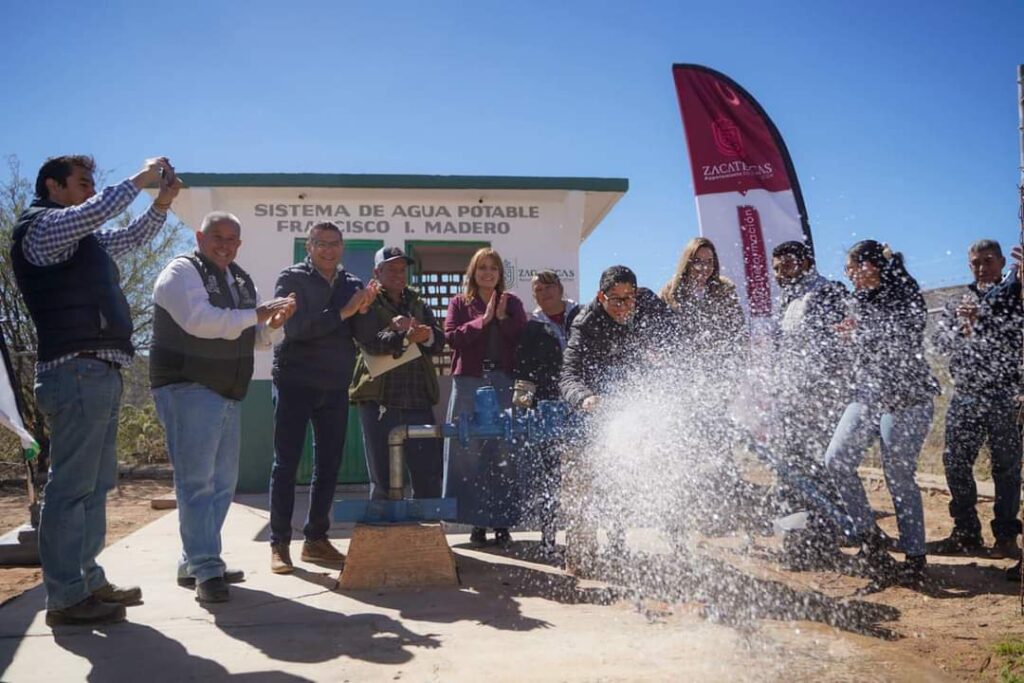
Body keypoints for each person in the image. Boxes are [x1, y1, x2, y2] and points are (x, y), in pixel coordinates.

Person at [12, 154, 179, 627]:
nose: (90, 190)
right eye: (82, 182)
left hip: (98, 373)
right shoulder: (41, 230)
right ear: (53, 186)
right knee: (70, 488)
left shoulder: (81, 243)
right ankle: (65, 597)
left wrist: (161, 204)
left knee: (95, 485)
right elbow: (96, 212)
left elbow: (127, 237)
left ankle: (85, 581)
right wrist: (140, 179)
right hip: (75, 373)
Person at [151, 211, 296, 602]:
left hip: (227, 390)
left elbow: (254, 338)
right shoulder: (181, 272)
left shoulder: (239, 279)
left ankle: (197, 560)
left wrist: (274, 323)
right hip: (188, 386)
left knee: (221, 484)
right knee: (197, 483)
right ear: (200, 237)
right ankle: (206, 567)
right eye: (218, 236)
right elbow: (201, 321)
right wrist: (258, 314)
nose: (225, 244)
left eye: (233, 238)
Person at [824, 240, 939, 583]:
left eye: (851, 267)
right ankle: (870, 539)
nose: (847, 274)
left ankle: (915, 556)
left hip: (906, 396)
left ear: (870, 266)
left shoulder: (903, 292)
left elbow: (908, 330)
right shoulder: (857, 300)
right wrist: (849, 338)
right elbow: (864, 345)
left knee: (898, 474)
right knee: (837, 459)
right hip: (868, 394)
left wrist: (861, 334)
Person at [268, 222, 376, 574]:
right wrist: (344, 312)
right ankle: (279, 544)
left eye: (335, 244)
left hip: (335, 384)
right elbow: (297, 329)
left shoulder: (352, 284)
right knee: (286, 464)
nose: (329, 250)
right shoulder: (292, 279)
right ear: (309, 247)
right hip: (295, 381)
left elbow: (361, 335)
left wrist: (365, 310)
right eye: (321, 244)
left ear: (342, 247)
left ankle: (315, 540)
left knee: (328, 466)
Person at [931, 239, 1022, 559]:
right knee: (955, 463)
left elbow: (1014, 339)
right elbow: (940, 344)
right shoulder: (958, 300)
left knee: (1006, 469)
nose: (982, 268)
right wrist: (964, 327)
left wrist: (982, 323)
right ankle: (967, 531)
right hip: (966, 394)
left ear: (1000, 262)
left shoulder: (1016, 295)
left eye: (988, 261)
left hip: (1005, 395)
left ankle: (1006, 537)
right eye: (976, 263)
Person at [767, 241, 852, 566]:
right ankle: (797, 544)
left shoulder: (827, 293)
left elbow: (833, 350)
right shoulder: (787, 300)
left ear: (804, 263)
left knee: (817, 475)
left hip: (817, 403)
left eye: (785, 267)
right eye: (775, 269)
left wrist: (820, 396)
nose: (779, 274)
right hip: (788, 402)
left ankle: (820, 545)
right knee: (791, 475)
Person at [443, 248, 527, 546]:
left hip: (503, 382)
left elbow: (521, 339)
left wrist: (502, 319)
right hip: (469, 382)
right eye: (482, 268)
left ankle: (502, 523)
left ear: (500, 273)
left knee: (503, 453)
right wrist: (483, 320)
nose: (488, 273)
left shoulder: (512, 302)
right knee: (469, 453)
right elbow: (451, 337)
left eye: (493, 268)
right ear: (473, 273)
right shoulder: (459, 302)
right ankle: (476, 522)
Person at [351, 246, 445, 501]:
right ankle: (386, 535)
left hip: (418, 400)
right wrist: (404, 337)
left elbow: (438, 342)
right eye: (391, 268)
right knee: (382, 481)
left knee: (427, 476)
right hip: (380, 402)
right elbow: (369, 342)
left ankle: (426, 534)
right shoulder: (366, 302)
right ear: (376, 272)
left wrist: (425, 335)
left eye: (402, 269)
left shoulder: (418, 302)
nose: (398, 274)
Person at [511, 270, 582, 554]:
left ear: (560, 288)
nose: (544, 293)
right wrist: (522, 410)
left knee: (586, 476)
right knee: (551, 477)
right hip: (548, 409)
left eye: (549, 287)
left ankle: (584, 542)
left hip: (583, 406)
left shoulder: (582, 317)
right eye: (538, 290)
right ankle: (548, 540)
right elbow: (524, 370)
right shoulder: (531, 328)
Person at [659, 236, 748, 367]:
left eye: (709, 262)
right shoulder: (670, 292)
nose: (704, 268)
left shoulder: (725, 289)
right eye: (698, 262)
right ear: (687, 263)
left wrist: (739, 361)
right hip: (684, 366)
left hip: (721, 365)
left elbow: (739, 330)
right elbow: (660, 330)